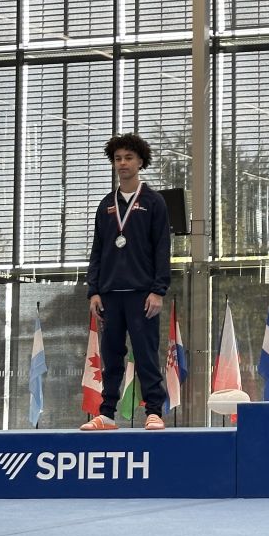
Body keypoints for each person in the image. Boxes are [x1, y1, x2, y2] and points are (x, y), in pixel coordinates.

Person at [81, 133, 171, 431]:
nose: (123, 163)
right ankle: (106, 414)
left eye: (129, 158)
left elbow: (162, 249)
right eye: (118, 158)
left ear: (140, 161)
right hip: (109, 294)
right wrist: (94, 290)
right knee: (111, 357)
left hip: (142, 294)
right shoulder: (106, 204)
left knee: (145, 354)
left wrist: (158, 290)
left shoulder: (154, 202)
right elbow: (98, 250)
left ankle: (154, 411)